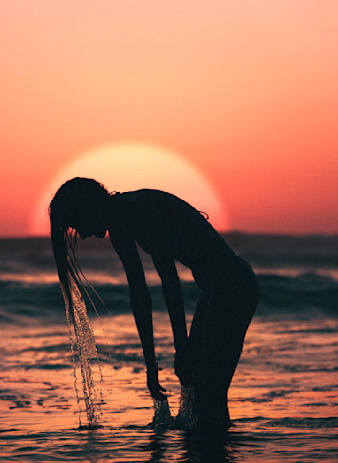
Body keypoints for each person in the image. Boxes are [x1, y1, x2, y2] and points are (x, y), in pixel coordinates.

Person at [49, 177, 258, 431]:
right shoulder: (119, 225)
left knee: (207, 393)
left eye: (77, 223)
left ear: (88, 207)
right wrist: (151, 366)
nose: (81, 234)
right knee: (199, 393)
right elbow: (139, 296)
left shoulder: (138, 210)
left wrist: (181, 347)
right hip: (214, 290)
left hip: (233, 286)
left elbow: (170, 282)